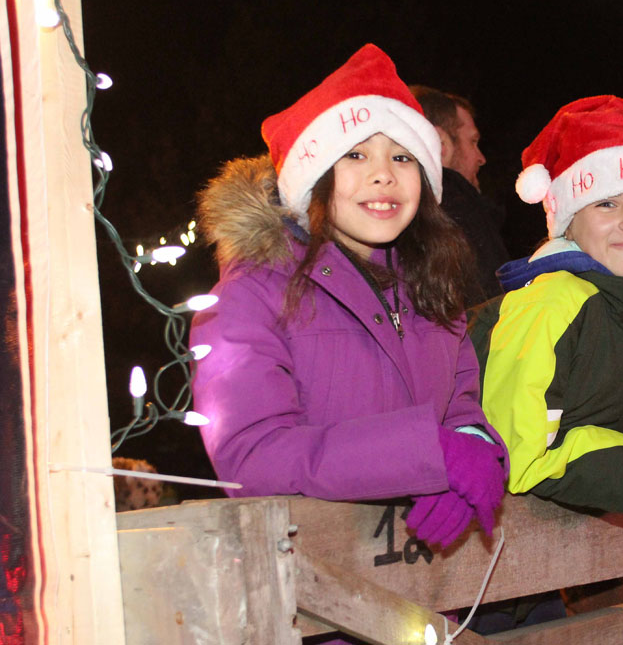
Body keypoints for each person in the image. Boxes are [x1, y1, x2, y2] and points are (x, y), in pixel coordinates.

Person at [189, 44, 507, 550]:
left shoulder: (432, 287)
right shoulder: (251, 294)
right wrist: (428, 455)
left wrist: (475, 457)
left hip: (424, 605)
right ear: (314, 175)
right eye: (355, 154)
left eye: (402, 156)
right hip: (315, 609)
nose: (383, 174)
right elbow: (252, 455)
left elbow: (464, 409)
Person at [468, 95, 623, 524]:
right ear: (569, 223)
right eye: (606, 203)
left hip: (551, 545)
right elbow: (517, 455)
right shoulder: (548, 306)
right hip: (468, 546)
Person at [409, 85, 510, 306]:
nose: (481, 158)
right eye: (472, 141)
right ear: (440, 143)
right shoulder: (458, 203)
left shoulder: (400, 214)